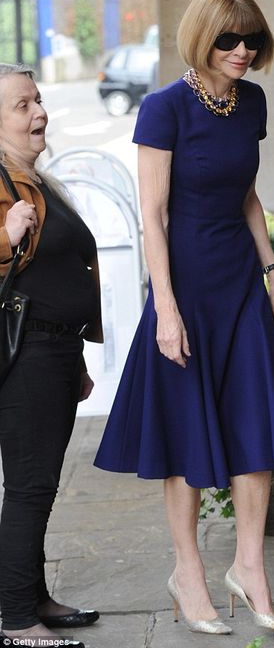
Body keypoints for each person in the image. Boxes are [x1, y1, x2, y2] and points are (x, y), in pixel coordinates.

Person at [95, 0, 274, 635]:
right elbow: (153, 218)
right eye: (227, 39)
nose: (242, 50)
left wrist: (273, 272)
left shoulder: (252, 103)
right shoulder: (164, 109)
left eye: (252, 39)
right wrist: (164, 307)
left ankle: (249, 568)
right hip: (184, 286)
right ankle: (187, 571)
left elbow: (246, 195)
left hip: (241, 282)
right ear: (201, 38)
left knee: (256, 428)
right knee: (188, 432)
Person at [0, 63, 103, 646]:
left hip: (52, 351)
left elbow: (52, 275)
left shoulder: (31, 177)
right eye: (22, 105)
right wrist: (5, 233)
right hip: (27, 358)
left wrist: (78, 357)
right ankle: (16, 618)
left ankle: (31, 595)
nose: (39, 112)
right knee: (30, 485)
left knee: (39, 483)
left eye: (38, 101)